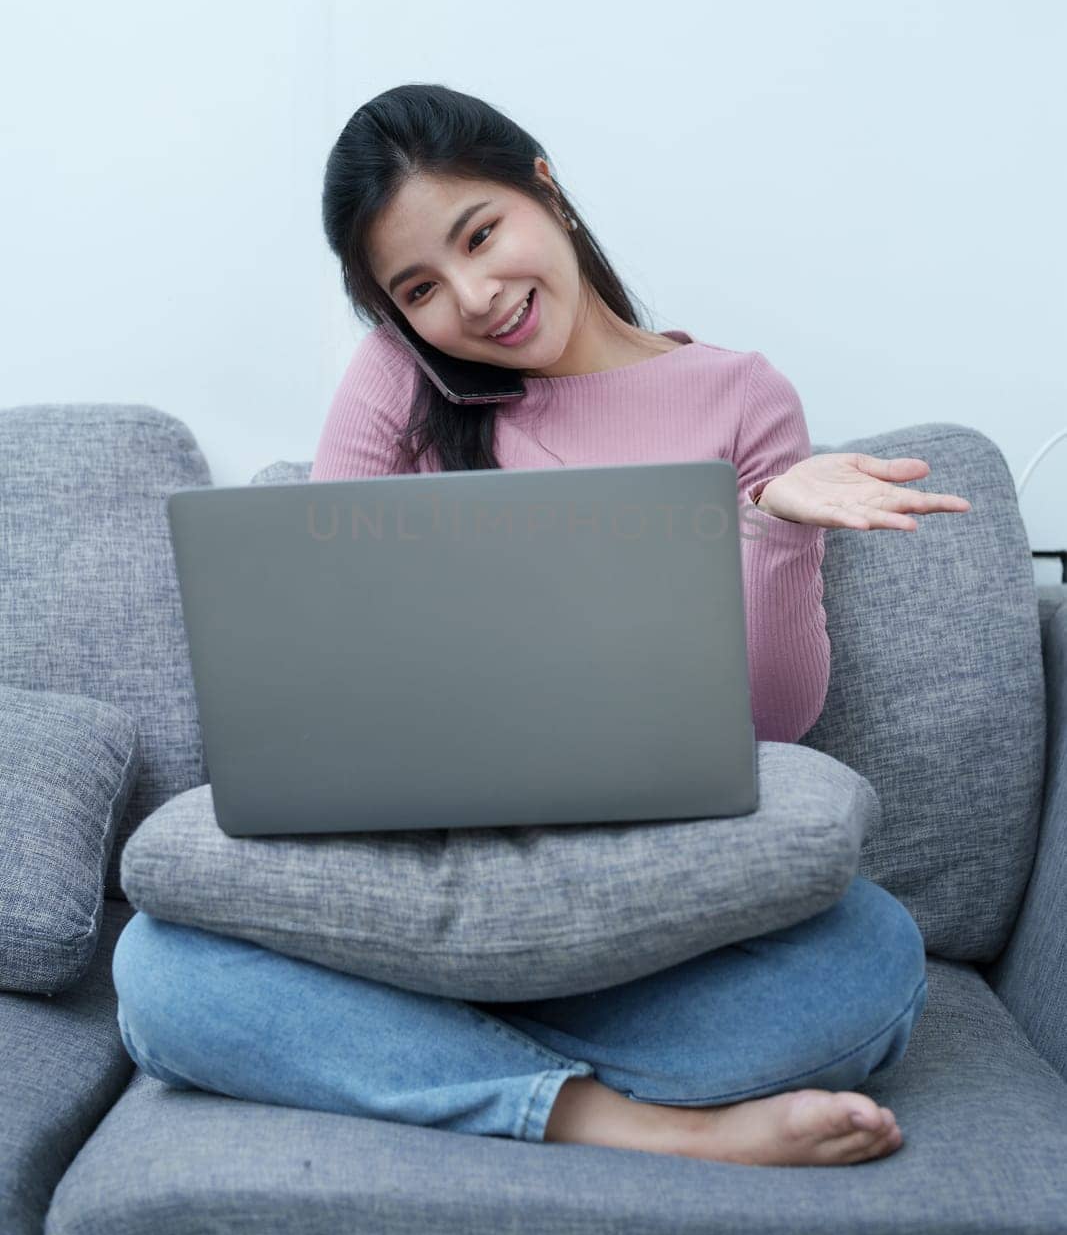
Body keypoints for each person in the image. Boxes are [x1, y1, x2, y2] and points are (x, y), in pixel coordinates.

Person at [113, 84, 972, 1168]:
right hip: (426, 901)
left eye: (482, 234)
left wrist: (768, 523)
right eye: (419, 286)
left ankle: (424, 1069)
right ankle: (642, 1126)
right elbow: (317, 660)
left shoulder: (741, 397)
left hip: (641, 910)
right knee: (157, 970)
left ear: (544, 189)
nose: (473, 298)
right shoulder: (397, 380)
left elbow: (772, 721)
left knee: (870, 958)